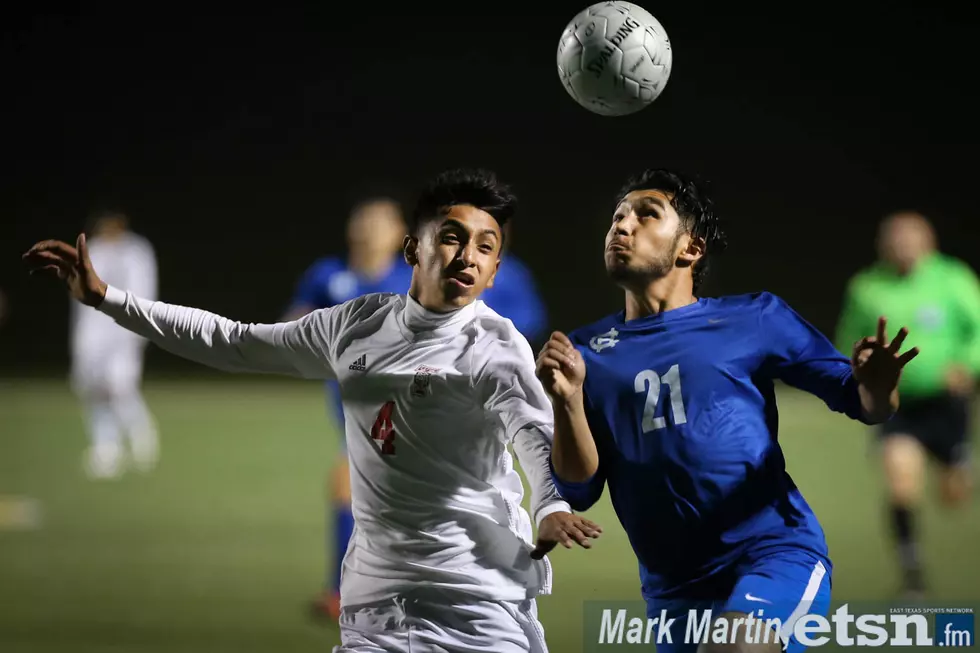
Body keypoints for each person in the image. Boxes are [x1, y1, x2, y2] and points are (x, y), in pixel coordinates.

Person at [24, 168, 601, 653]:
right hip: (376, 613)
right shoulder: (355, 325)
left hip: (480, 607)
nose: (468, 256)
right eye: (452, 236)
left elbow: (532, 437)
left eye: (486, 247)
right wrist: (108, 300)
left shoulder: (496, 347)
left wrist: (550, 502)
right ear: (413, 248)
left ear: (496, 269)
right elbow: (234, 340)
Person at [535, 169, 918, 653]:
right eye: (617, 217)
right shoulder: (587, 351)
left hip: (772, 554)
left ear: (690, 249)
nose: (622, 226)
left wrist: (878, 385)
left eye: (646, 215)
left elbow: (863, 404)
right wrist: (567, 402)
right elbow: (580, 486)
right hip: (673, 591)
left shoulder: (755, 318)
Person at [836, 211, 980, 598]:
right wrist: (856, 373)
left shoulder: (953, 279)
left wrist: (967, 364)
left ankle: (959, 463)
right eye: (894, 239)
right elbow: (850, 338)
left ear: (928, 241)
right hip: (897, 404)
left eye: (910, 238)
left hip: (947, 403)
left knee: (953, 496)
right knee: (901, 484)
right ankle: (912, 571)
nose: (902, 246)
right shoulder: (866, 287)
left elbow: (977, 330)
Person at [283, 197, 414, 620]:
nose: (370, 227)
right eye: (364, 218)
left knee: (349, 484)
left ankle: (346, 594)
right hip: (354, 411)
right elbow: (295, 325)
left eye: (381, 221)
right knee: (370, 494)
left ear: (399, 234)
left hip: (404, 406)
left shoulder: (411, 279)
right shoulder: (328, 275)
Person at [67, 210, 159, 479]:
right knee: (94, 392)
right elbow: (80, 297)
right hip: (94, 334)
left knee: (121, 388)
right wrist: (80, 340)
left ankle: (142, 437)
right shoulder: (92, 250)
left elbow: (144, 290)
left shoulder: (136, 252)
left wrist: (140, 330)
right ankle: (106, 448)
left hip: (123, 331)